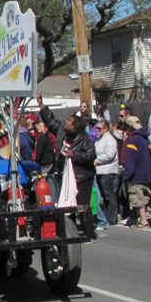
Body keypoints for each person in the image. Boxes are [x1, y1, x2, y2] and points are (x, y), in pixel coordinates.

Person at [36, 95, 97, 240]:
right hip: (64, 176)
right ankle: (70, 231)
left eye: (69, 121)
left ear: (75, 126)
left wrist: (73, 154)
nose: (66, 122)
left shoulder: (84, 140)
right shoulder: (62, 133)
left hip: (81, 177)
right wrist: (42, 106)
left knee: (82, 206)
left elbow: (91, 155)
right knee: (66, 205)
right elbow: (51, 122)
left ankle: (89, 234)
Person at [122, 116, 151, 228]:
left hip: (137, 174)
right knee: (149, 197)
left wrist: (127, 175)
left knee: (139, 198)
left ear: (130, 126)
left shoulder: (134, 139)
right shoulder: (146, 138)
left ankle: (144, 221)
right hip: (147, 172)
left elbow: (131, 159)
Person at [94, 119, 119, 227]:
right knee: (102, 196)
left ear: (106, 129)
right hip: (100, 171)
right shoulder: (99, 140)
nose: (97, 130)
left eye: (100, 128)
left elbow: (110, 155)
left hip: (108, 171)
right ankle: (105, 217)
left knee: (109, 195)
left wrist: (95, 160)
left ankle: (112, 218)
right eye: (97, 128)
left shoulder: (110, 140)